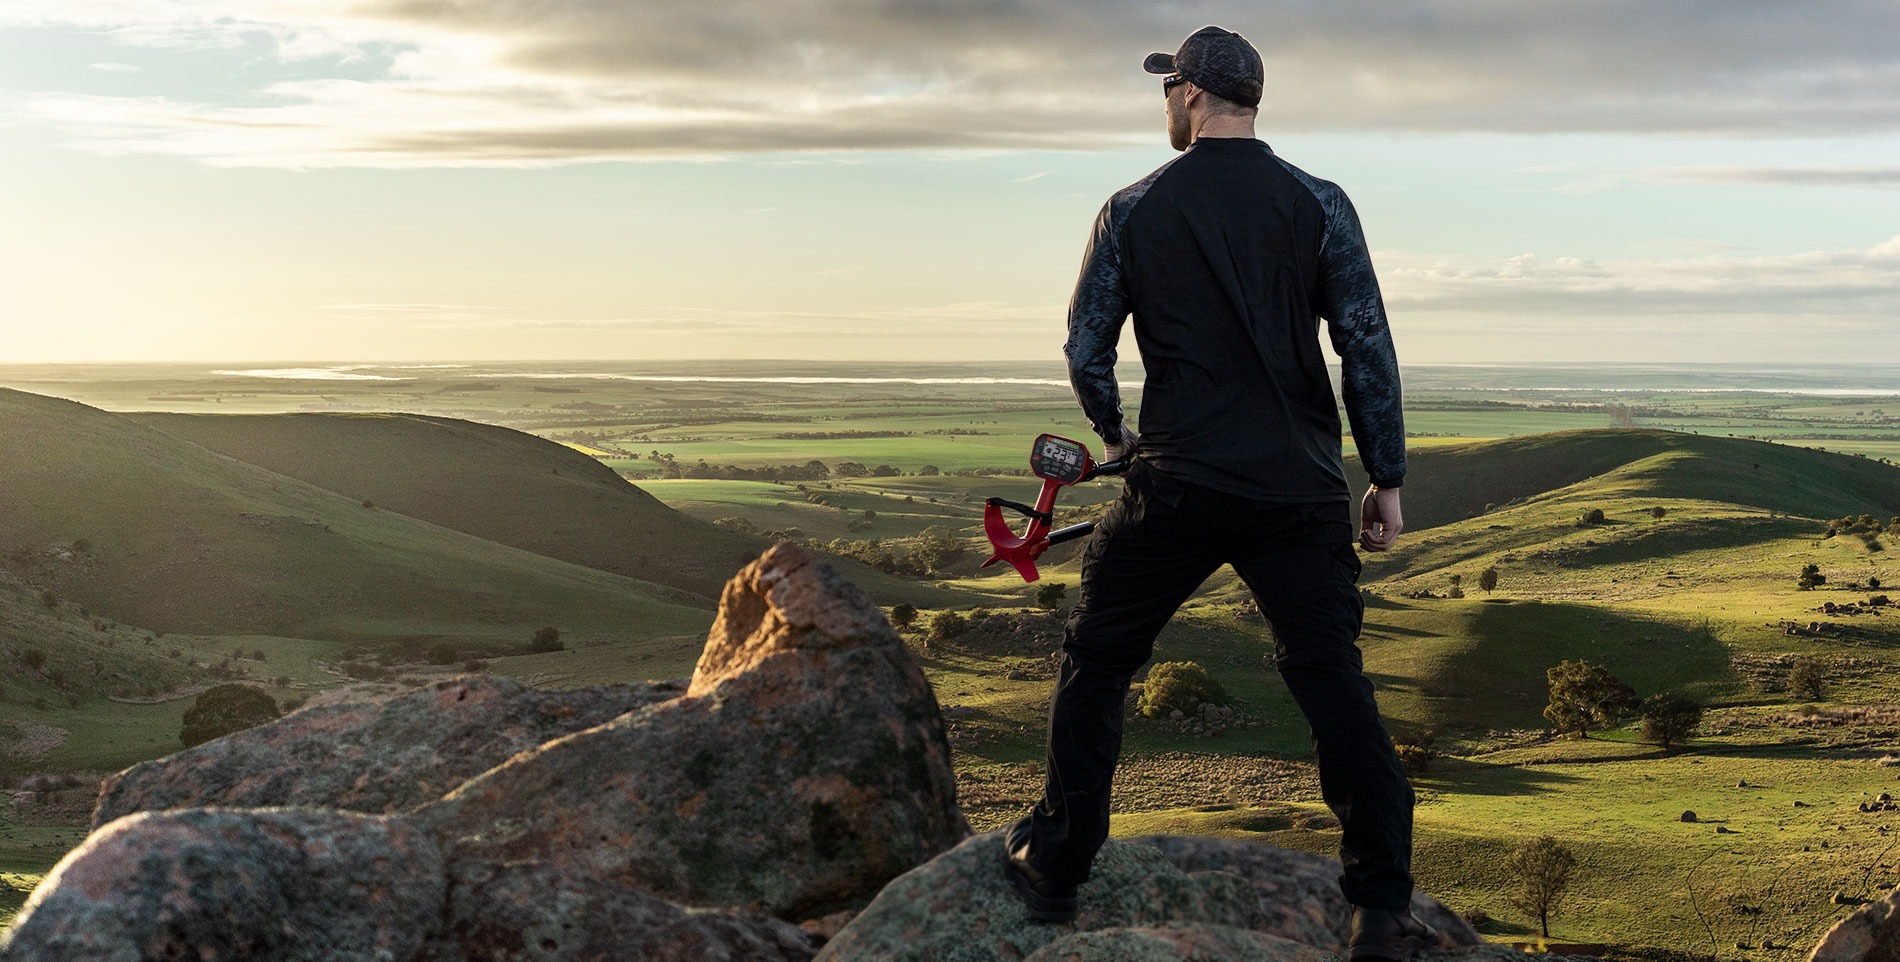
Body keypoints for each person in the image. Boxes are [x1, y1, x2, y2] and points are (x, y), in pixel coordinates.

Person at [1001, 25, 1442, 959]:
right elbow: (1364, 345)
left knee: (1099, 659)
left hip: (1176, 485)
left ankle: (1057, 868)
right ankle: (1380, 909)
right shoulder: (1319, 203)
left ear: (1193, 95)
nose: (1165, 101)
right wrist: (1387, 478)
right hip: (1299, 491)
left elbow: (1086, 346)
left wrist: (1118, 435)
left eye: (1168, 88)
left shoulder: (1133, 207)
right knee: (1330, 682)